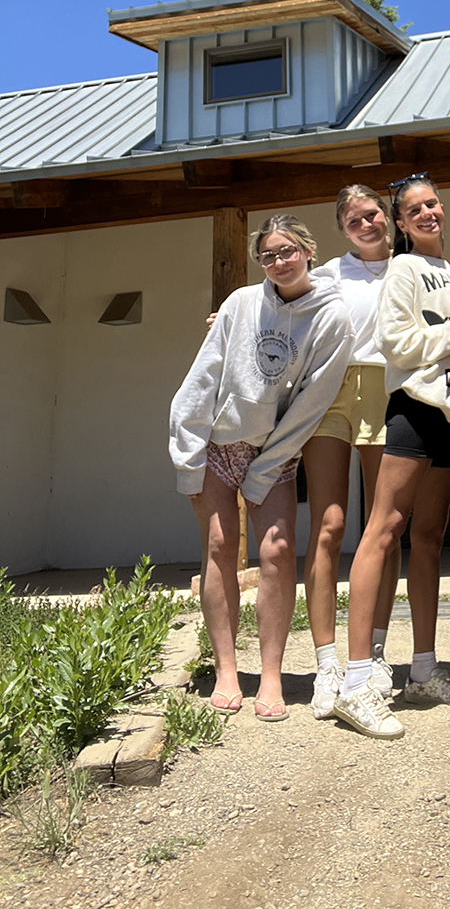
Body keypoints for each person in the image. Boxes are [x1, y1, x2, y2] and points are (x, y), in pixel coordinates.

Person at [170, 216, 352, 720]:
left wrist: (266, 465)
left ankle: (270, 672)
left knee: (276, 549)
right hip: (218, 443)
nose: (278, 262)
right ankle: (228, 669)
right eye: (269, 255)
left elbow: (311, 403)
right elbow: (204, 375)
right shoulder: (240, 303)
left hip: (275, 449)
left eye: (287, 251)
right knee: (219, 546)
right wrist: (187, 453)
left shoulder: (331, 316)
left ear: (309, 250)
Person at [333, 175, 450, 739]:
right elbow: (397, 346)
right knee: (385, 528)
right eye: (413, 209)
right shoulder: (401, 269)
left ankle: (423, 669)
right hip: (416, 411)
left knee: (430, 539)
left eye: (432, 204)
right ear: (399, 222)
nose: (426, 213)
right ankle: (356, 680)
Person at [300, 184, 400, 721]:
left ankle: (376, 651)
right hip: (331, 392)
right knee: (329, 524)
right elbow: (273, 304)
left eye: (374, 214)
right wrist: (227, 317)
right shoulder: (327, 275)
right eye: (355, 219)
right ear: (342, 228)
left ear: (388, 218)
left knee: (384, 525)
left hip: (388, 390)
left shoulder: (409, 268)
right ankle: (326, 663)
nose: (367, 224)